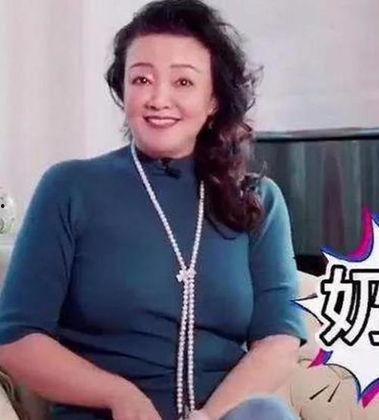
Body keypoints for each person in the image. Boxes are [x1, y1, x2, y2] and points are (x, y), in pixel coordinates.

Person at [0, 1, 306, 419]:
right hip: (106, 414)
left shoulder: (257, 199)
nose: (159, 99)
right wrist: (119, 396)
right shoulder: (70, 188)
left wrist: (208, 416)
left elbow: (278, 340)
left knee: (266, 413)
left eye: (183, 81)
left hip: (222, 414)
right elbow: (16, 338)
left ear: (214, 99)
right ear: (123, 89)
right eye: (142, 79)